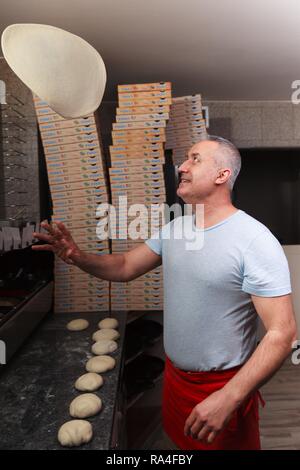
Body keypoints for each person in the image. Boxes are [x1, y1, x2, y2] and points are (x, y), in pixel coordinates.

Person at [32, 135, 297, 450]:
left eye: (195, 159)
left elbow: (282, 334)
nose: (182, 167)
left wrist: (228, 398)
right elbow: (126, 266)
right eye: (185, 159)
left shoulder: (254, 239)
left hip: (222, 389)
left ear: (222, 175)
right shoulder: (175, 229)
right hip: (176, 381)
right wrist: (77, 256)